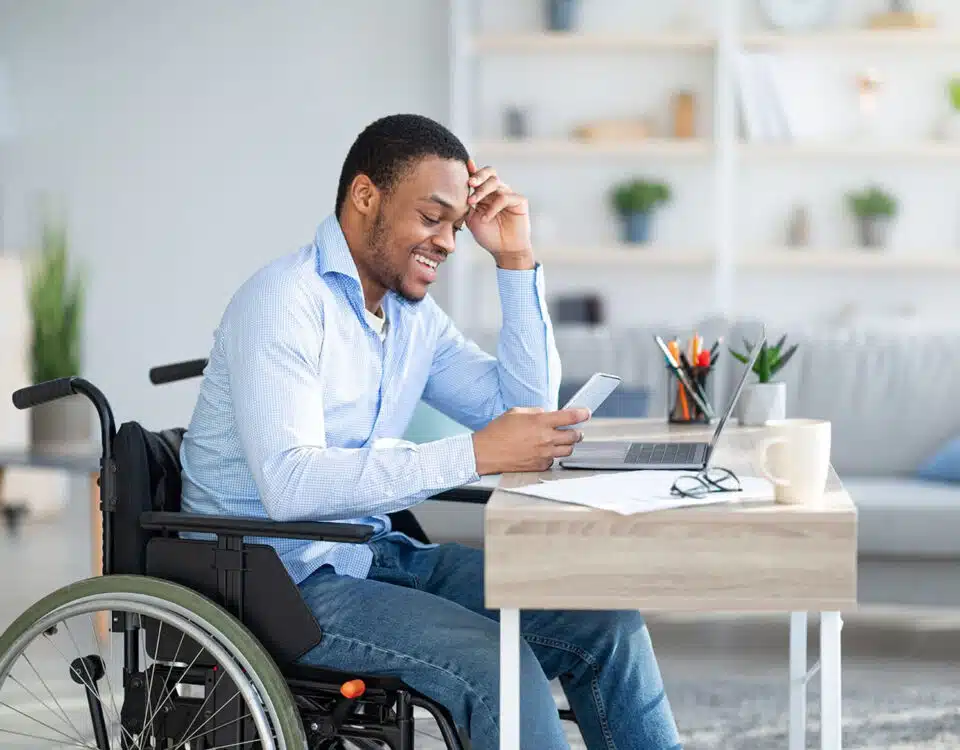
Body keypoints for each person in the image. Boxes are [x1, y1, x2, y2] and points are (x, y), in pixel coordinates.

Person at [180, 113, 682, 750]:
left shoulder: (410, 316)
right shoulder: (284, 301)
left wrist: (515, 258)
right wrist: (476, 454)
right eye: (431, 217)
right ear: (366, 197)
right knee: (501, 667)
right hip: (277, 580)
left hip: (370, 554)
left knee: (603, 623)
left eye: (455, 224)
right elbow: (291, 484)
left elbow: (524, 407)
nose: (447, 241)